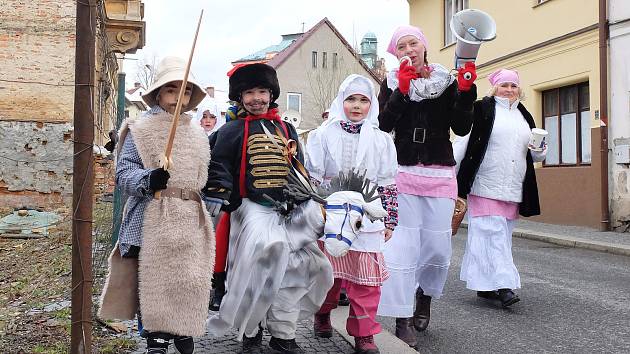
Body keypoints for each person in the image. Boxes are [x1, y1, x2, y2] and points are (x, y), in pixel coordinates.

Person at [204, 63, 333, 354]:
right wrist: (220, 191)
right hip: (250, 207)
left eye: (262, 91)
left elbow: (297, 167)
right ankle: (251, 330)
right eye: (249, 92)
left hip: (286, 209)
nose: (257, 98)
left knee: (299, 265)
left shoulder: (286, 128)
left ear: (271, 93)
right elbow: (219, 164)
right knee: (257, 264)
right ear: (239, 97)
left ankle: (283, 333)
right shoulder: (230, 130)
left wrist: (303, 198)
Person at [98, 56, 214, 354]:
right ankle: (157, 333)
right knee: (158, 277)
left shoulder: (199, 134)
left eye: (186, 91)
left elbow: (202, 175)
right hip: (155, 212)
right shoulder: (139, 129)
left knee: (189, 276)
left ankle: (183, 326)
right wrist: (149, 178)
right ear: (159, 93)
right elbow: (124, 173)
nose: (179, 97)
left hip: (190, 216)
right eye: (172, 89)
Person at [376, 25, 478, 347]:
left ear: (424, 46)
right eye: (401, 46)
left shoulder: (445, 80)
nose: (408, 49)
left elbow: (461, 127)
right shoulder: (391, 82)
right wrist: (401, 92)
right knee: (402, 248)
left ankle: (425, 296)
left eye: (413, 43)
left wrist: (465, 92)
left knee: (435, 248)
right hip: (402, 170)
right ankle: (402, 317)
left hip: (439, 172)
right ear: (397, 54)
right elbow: (383, 125)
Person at [306, 75, 398, 354]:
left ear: (371, 105)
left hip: (367, 217)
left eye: (363, 100)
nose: (357, 106)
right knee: (329, 275)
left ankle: (364, 335)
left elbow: (387, 182)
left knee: (365, 281)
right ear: (340, 101)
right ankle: (322, 313)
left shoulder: (382, 141)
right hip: (332, 216)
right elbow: (314, 178)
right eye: (351, 99)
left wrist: (390, 219)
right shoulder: (322, 135)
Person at [455, 68, 546, 308]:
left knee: (500, 235)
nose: (509, 90)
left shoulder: (524, 116)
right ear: (494, 87)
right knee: (491, 233)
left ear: (519, 89)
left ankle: (484, 286)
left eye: (513, 86)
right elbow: (463, 141)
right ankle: (504, 286)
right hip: (484, 183)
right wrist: (450, 176)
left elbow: (535, 156)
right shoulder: (481, 109)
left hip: (514, 186)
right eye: (504, 85)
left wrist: (540, 150)